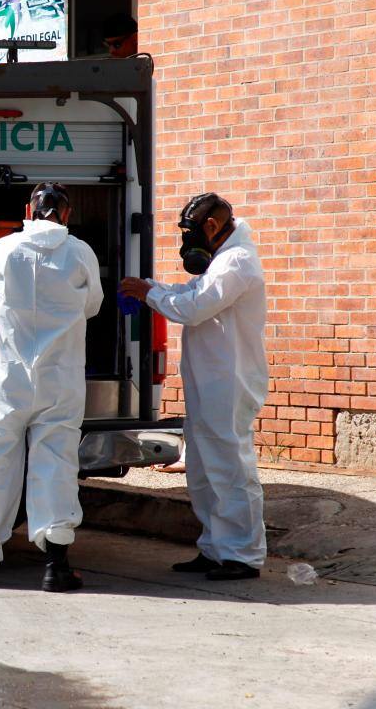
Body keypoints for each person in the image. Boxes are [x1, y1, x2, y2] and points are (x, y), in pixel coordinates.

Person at [0, 183, 103, 591]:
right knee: (56, 465)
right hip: (61, 377)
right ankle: (55, 566)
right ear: (67, 214)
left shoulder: (3, 250)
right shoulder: (80, 253)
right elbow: (92, 305)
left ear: (28, 210)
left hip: (7, 376)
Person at [119, 193, 268, 581]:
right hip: (210, 380)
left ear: (212, 228)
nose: (187, 241)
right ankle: (215, 547)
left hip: (229, 381)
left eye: (190, 232)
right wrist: (149, 286)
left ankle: (242, 555)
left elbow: (193, 308)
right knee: (203, 468)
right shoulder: (222, 262)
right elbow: (189, 293)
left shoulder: (237, 262)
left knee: (230, 467)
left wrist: (148, 294)